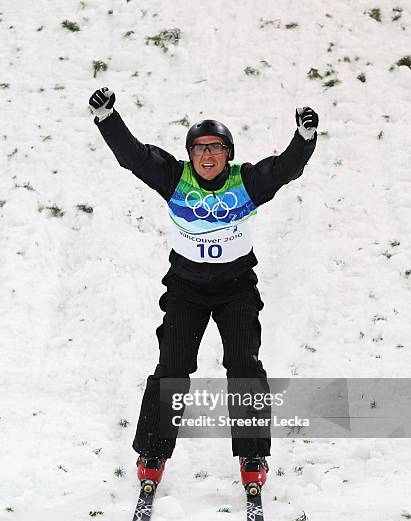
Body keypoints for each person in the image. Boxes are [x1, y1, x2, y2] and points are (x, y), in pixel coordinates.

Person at [88, 87, 318, 492]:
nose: (207, 157)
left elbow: (284, 170)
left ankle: (252, 452)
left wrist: (303, 139)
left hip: (236, 289)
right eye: (199, 149)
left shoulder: (245, 181)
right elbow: (135, 157)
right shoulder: (174, 178)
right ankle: (154, 450)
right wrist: (108, 118)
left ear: (228, 153)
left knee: (245, 368)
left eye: (215, 149)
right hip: (186, 290)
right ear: (190, 154)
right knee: (173, 368)